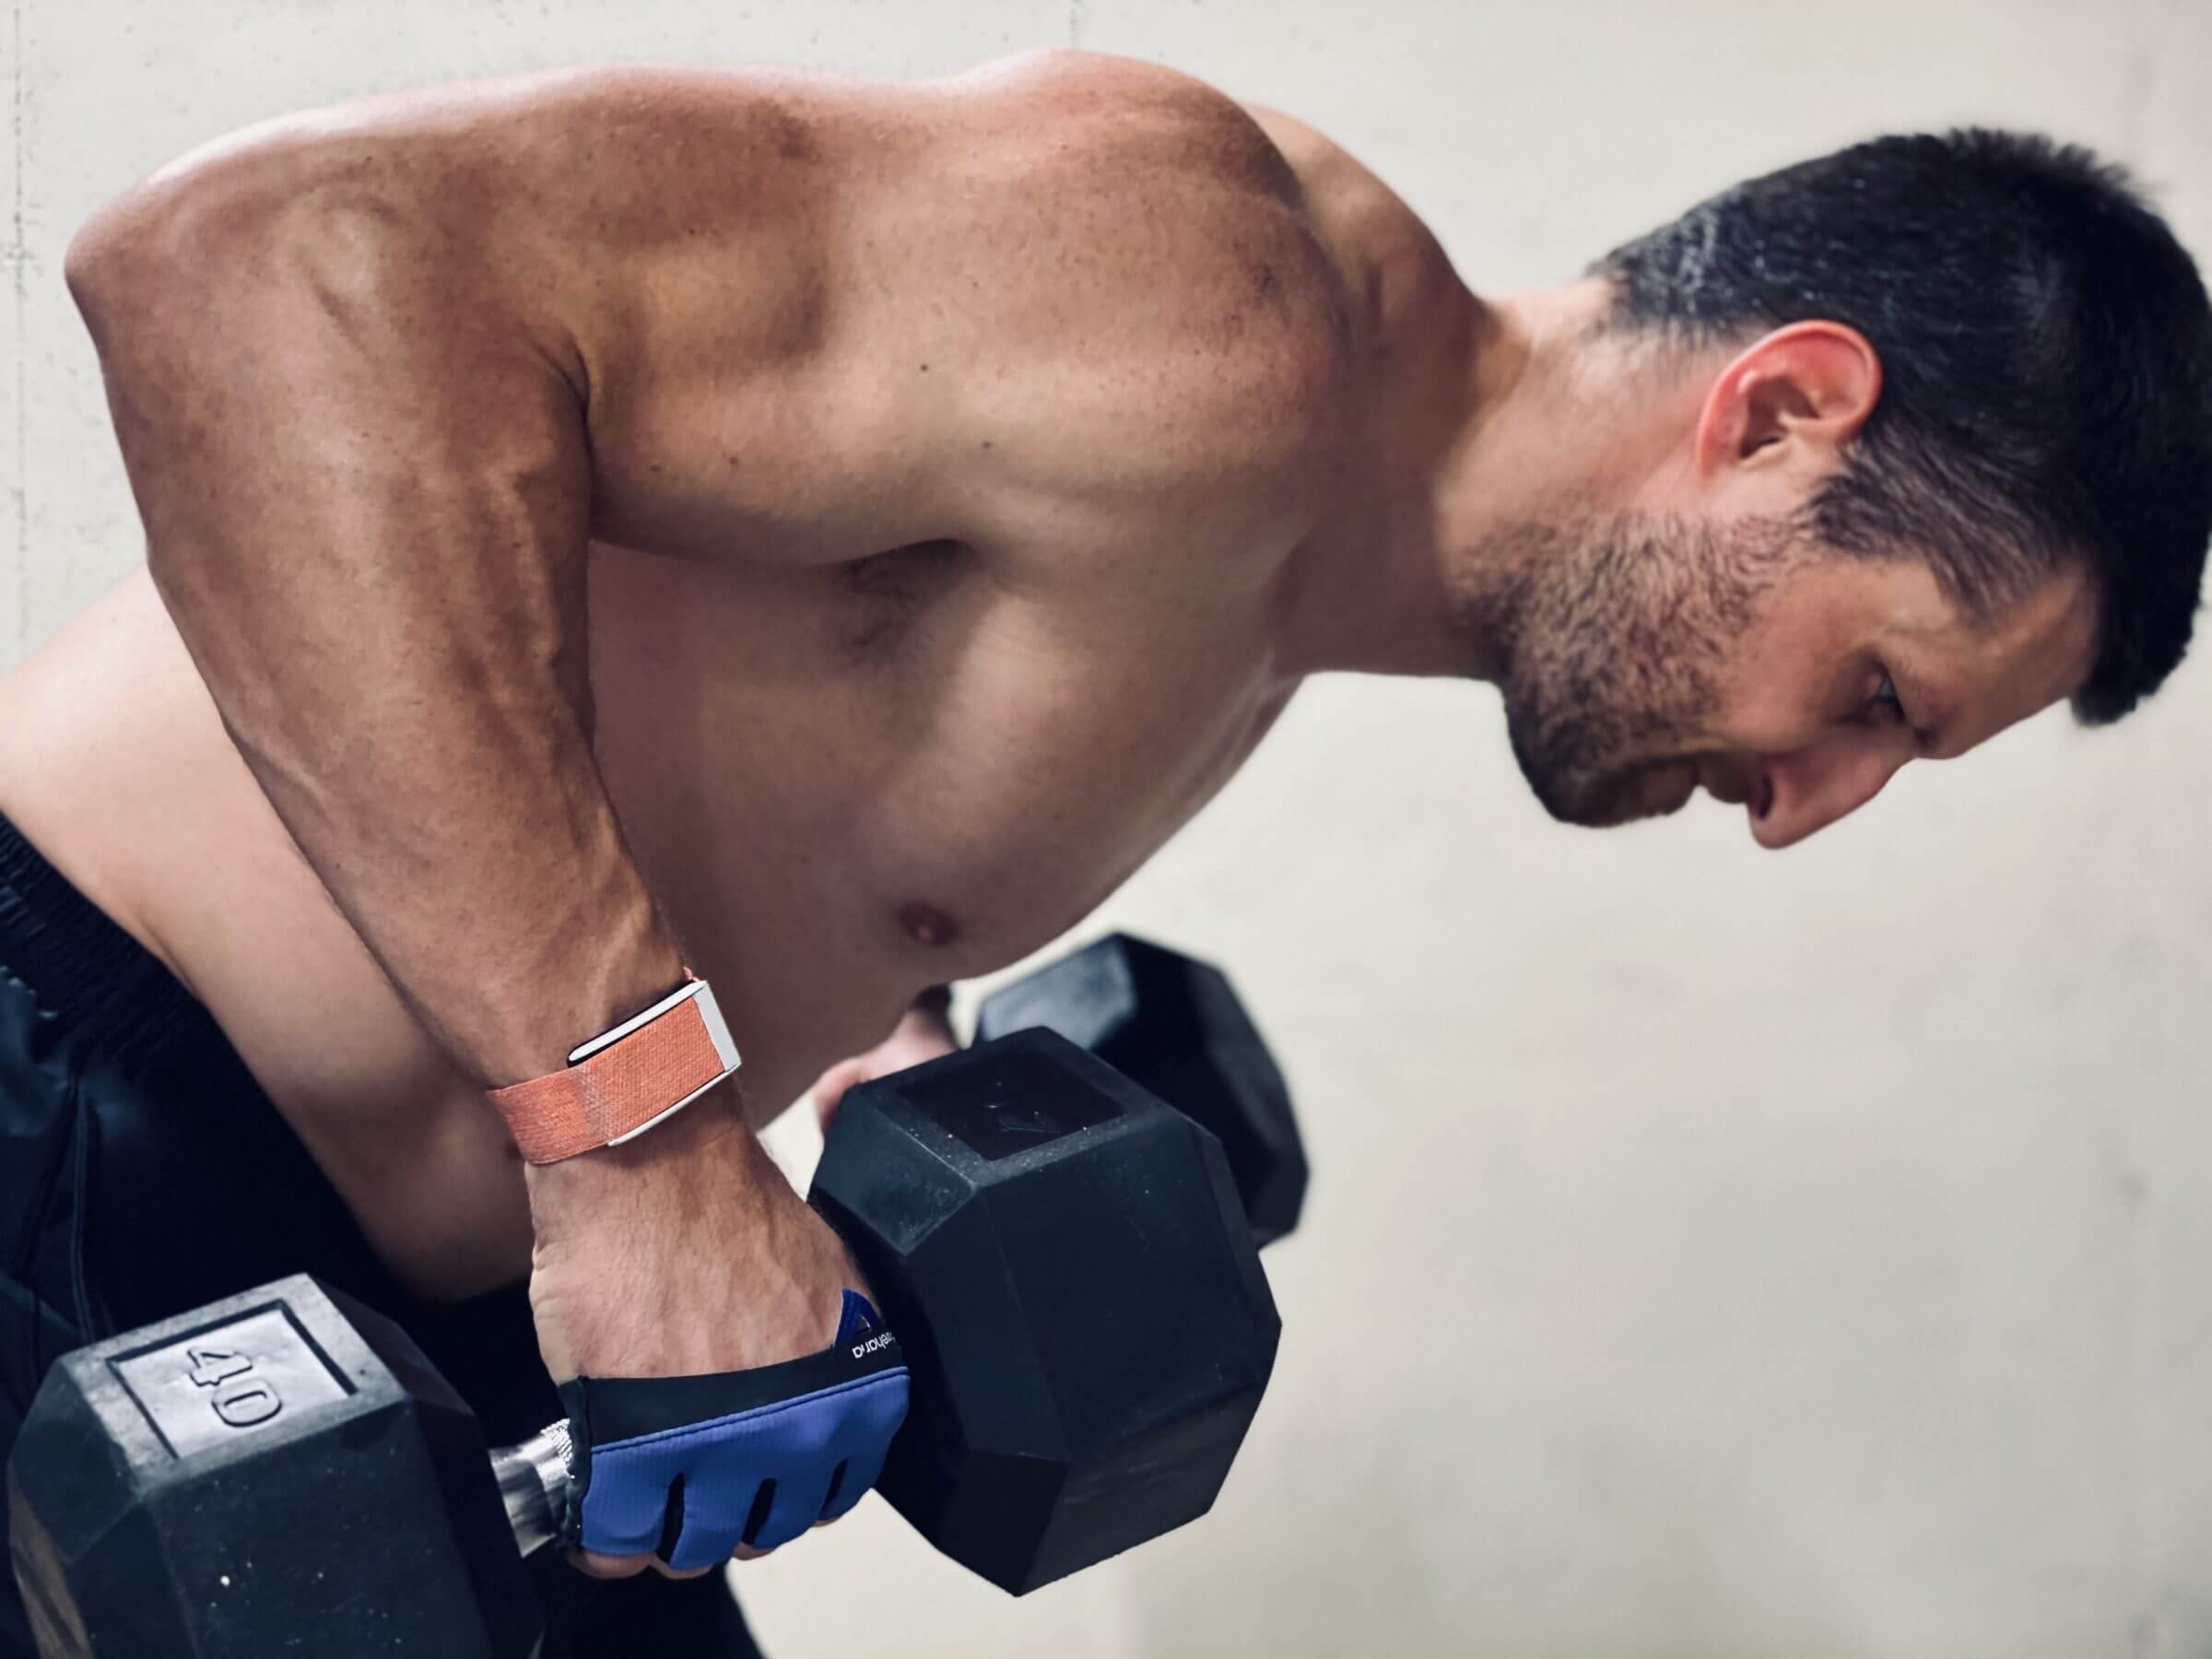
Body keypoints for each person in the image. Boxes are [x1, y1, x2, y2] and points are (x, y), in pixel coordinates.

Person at [3, 45, 2206, 1655]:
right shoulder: (1208, 283)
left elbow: (803, 745)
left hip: (412, 1326)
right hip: (67, 1113)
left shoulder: (1288, 579)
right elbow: (254, 269)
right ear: (1785, 408)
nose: (1811, 808)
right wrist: (648, 1153)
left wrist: (883, 1049)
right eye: (1879, 698)